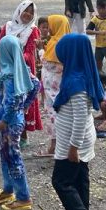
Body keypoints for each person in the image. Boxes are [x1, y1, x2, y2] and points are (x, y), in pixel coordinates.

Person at [51, 33, 106, 210]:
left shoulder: (76, 82)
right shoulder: (80, 75)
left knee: (61, 182)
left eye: (62, 53)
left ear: (71, 53)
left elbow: (81, 117)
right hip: (79, 140)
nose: (60, 57)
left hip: (73, 143)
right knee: (80, 181)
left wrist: (72, 148)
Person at [0, 36, 40, 210]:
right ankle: (9, 189)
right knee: (6, 157)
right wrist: (25, 107)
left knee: (13, 158)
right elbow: (36, 84)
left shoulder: (10, 74)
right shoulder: (21, 69)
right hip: (10, 122)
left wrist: (5, 119)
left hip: (9, 124)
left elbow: (12, 100)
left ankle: (23, 197)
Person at [0, 1, 43, 147]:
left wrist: (14, 56)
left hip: (23, 69)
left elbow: (30, 52)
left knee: (20, 100)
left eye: (31, 12)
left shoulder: (33, 30)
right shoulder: (8, 26)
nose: (28, 14)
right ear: (19, 10)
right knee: (6, 99)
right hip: (7, 67)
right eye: (26, 10)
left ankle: (22, 136)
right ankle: (5, 132)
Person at [38, 14, 71, 157]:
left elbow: (48, 63)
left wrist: (40, 49)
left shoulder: (56, 43)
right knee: (63, 115)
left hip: (53, 88)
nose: (49, 27)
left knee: (54, 116)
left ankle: (54, 148)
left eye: (51, 25)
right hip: (60, 87)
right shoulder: (67, 42)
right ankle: (63, 147)